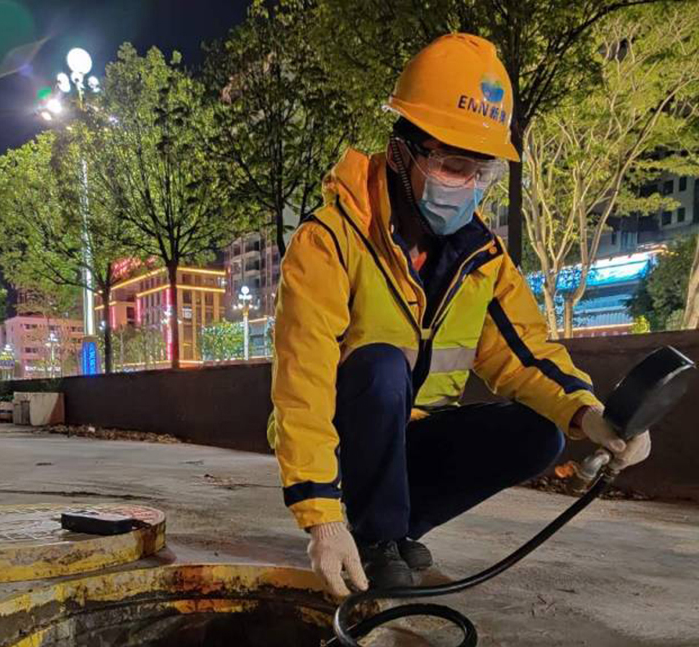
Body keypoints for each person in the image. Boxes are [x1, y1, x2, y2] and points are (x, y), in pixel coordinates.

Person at [269, 33, 650, 597]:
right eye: (453, 166)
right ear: (401, 154)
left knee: (540, 434)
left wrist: (592, 415)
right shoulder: (330, 240)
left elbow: (526, 353)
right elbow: (302, 385)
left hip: (413, 445)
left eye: (481, 172)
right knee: (380, 365)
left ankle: (396, 531)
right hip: (346, 449)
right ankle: (374, 537)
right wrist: (321, 518)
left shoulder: (480, 259)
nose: (468, 187)